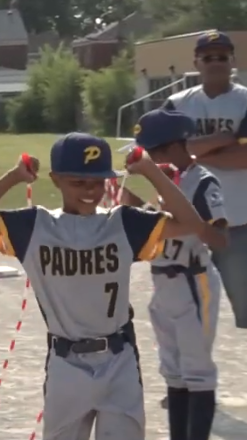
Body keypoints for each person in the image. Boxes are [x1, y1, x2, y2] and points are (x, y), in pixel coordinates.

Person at [0, 133, 208, 440]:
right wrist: (13, 177)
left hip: (119, 360)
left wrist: (150, 170)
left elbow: (192, 224)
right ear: (56, 180)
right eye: (78, 182)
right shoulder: (35, 225)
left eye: (98, 181)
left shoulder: (125, 222)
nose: (90, 190)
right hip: (66, 363)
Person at [121, 110, 227, 440]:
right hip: (163, 282)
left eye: (155, 151)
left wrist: (185, 219)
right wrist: (132, 202)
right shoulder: (168, 180)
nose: (151, 159)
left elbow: (219, 238)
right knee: (174, 372)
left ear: (175, 147)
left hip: (193, 280)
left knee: (197, 371)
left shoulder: (202, 181)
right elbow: (159, 224)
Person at [161, 31, 247, 329]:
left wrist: (190, 153)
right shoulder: (176, 103)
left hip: (239, 221)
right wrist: (226, 140)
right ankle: (190, 374)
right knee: (186, 310)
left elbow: (245, 158)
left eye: (222, 56)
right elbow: (161, 153)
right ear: (196, 62)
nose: (215, 62)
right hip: (187, 222)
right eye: (208, 57)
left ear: (232, 60)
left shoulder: (245, 101)